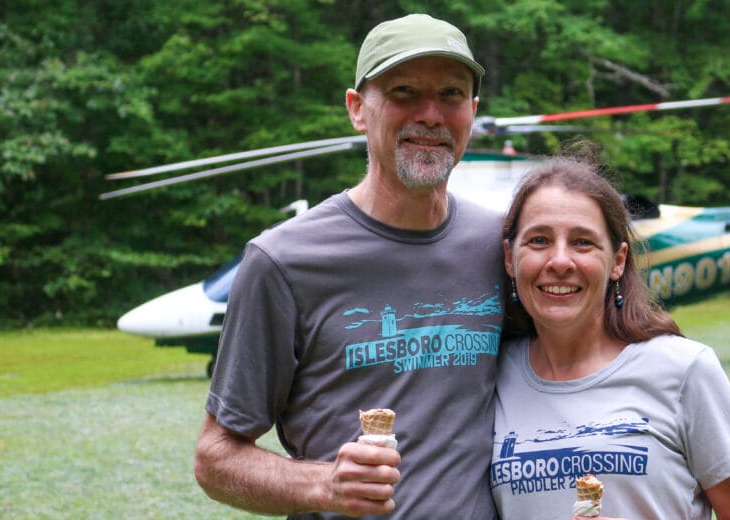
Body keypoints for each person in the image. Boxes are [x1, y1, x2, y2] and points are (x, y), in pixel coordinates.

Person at [194, 14, 505, 519]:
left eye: (450, 94)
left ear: (472, 111)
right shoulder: (284, 261)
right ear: (358, 109)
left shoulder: (503, 246)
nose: (431, 114)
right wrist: (324, 486)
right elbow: (215, 459)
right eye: (404, 91)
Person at [490, 153, 730, 520]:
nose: (560, 261)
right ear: (509, 258)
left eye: (583, 242)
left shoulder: (683, 369)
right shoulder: (492, 375)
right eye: (539, 240)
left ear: (618, 260)